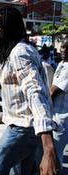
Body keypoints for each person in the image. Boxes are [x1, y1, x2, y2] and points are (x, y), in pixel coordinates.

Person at [0, 7, 59, 175]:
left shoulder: (19, 52)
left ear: (11, 28)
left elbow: (35, 92)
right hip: (25, 126)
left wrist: (48, 147)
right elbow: (11, 88)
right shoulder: (10, 53)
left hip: (22, 128)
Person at [51, 37, 68, 173]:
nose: (65, 50)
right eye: (63, 46)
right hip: (55, 116)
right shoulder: (62, 64)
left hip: (61, 119)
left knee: (55, 157)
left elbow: (54, 91)